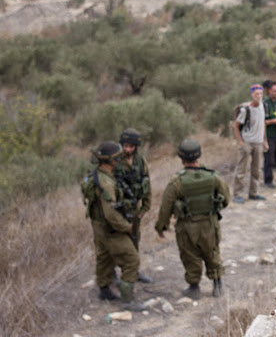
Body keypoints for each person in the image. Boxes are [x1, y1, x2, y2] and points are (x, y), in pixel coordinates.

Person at [154, 138, 231, 299]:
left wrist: (161, 227)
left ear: (181, 158)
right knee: (212, 253)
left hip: (187, 227)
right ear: (198, 155)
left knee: (190, 256)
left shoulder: (177, 182)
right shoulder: (213, 176)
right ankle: (217, 285)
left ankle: (194, 287)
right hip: (209, 224)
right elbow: (226, 198)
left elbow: (165, 207)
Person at [82, 141, 146, 311]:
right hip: (110, 228)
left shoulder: (99, 174)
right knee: (132, 260)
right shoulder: (107, 183)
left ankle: (104, 290)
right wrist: (127, 227)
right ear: (109, 160)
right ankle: (127, 300)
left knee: (104, 256)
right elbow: (111, 214)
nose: (119, 160)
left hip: (98, 225)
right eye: (116, 158)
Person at [115, 127, 153, 283]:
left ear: (136, 146)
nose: (127, 149)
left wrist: (144, 208)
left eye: (130, 146)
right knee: (116, 242)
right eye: (125, 146)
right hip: (118, 209)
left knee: (134, 240)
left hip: (135, 208)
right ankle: (112, 274)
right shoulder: (115, 160)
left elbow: (147, 184)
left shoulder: (140, 161)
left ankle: (134, 271)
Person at [232, 84, 269, 203]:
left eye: (260, 93)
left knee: (256, 169)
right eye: (256, 94)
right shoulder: (245, 110)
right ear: (252, 95)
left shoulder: (263, 106)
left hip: (258, 142)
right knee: (241, 169)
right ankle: (237, 193)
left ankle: (254, 192)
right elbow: (236, 125)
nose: (258, 96)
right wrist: (241, 142)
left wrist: (265, 141)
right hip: (247, 142)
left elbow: (263, 123)